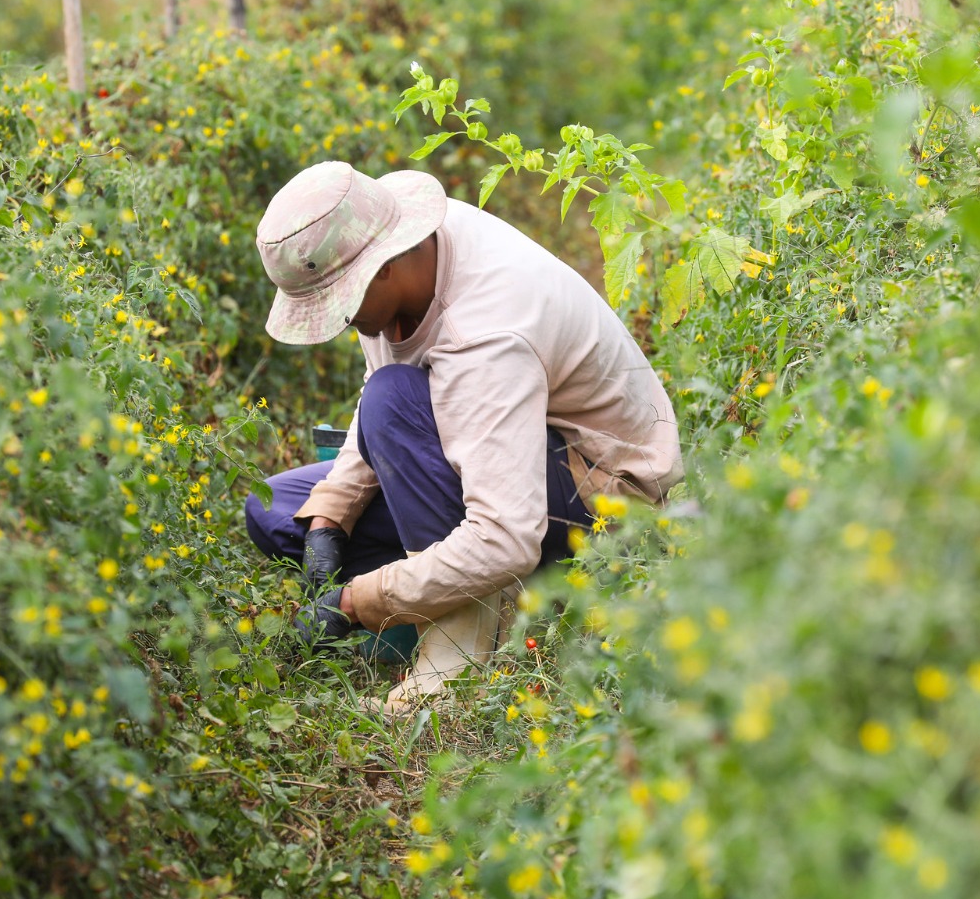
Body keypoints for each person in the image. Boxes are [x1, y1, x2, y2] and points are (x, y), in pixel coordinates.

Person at [243, 160, 682, 714]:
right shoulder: (407, 264)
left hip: (595, 499)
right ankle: (452, 584)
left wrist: (360, 601)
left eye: (341, 304)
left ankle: (460, 650)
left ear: (381, 269)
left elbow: (505, 535)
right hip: (494, 449)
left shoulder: (486, 332)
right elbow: (382, 404)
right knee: (279, 509)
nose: (342, 323)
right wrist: (332, 514)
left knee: (394, 400)